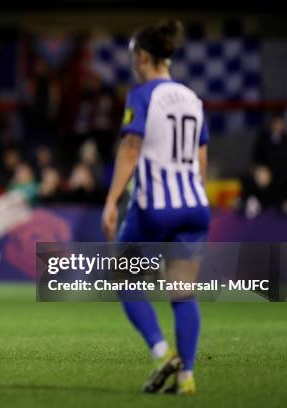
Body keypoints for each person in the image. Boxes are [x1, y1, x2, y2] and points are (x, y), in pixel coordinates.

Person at [101, 20, 209, 395]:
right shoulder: (192, 99)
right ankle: (186, 377)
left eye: (134, 58)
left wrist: (112, 201)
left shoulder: (143, 94)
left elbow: (131, 149)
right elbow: (201, 156)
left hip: (155, 206)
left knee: (123, 278)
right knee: (183, 292)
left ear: (143, 57)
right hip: (195, 205)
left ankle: (164, 354)